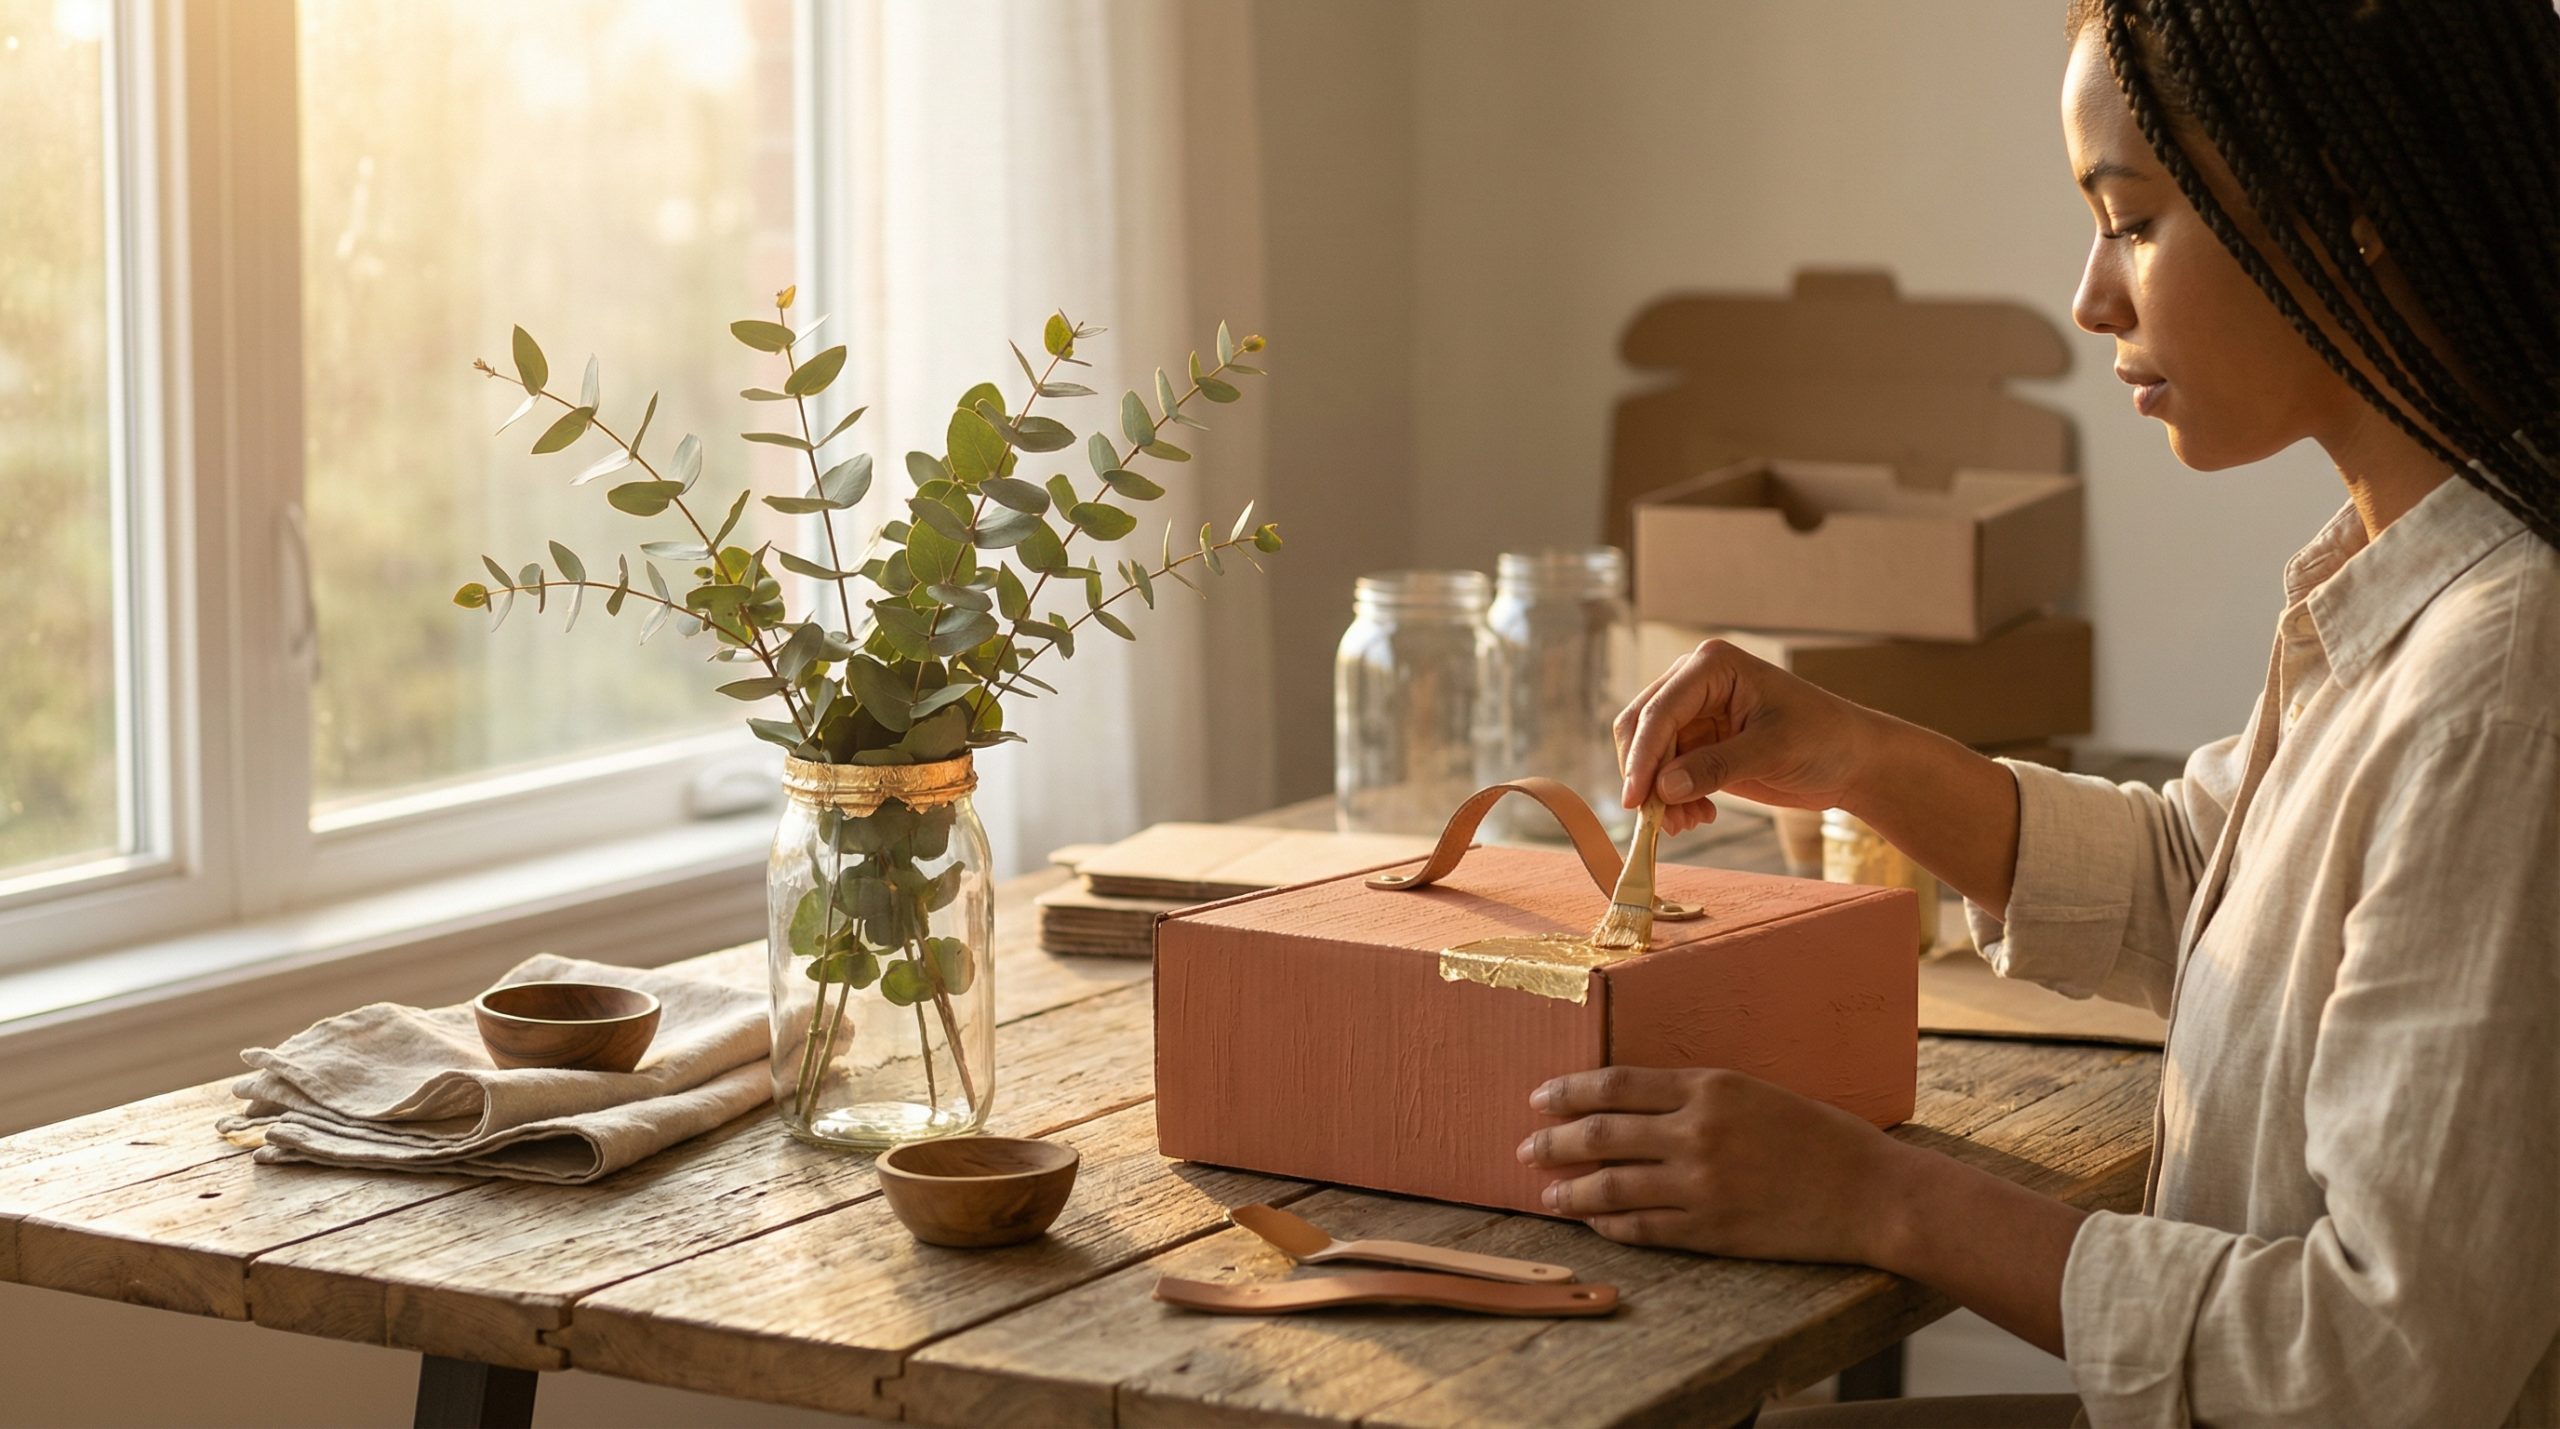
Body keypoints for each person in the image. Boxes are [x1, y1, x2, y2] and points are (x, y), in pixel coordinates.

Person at [1517, 2, 2560, 1425]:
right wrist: (1850, 751)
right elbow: (2216, 885)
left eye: (2130, 222)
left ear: (2345, 213)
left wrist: (1875, 1196)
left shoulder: (2499, 684)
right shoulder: (2404, 581)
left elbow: (2380, 1365)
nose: (2092, 297)